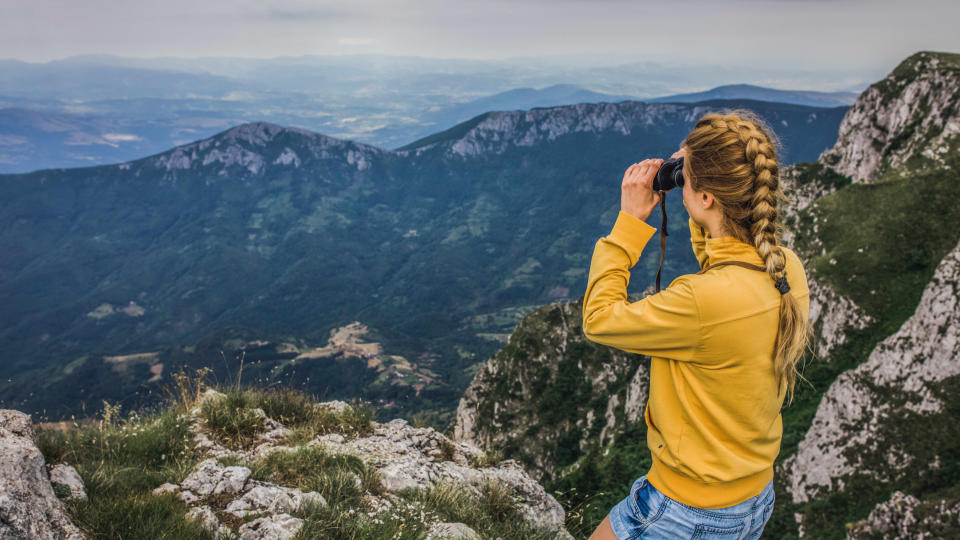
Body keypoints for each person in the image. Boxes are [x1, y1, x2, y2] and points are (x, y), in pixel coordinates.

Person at [581, 109, 813, 539]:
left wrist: (630, 223)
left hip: (685, 512)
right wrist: (698, 195)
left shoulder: (702, 301)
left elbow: (599, 319)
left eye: (686, 178)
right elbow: (722, 262)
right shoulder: (785, 269)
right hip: (752, 499)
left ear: (707, 197)